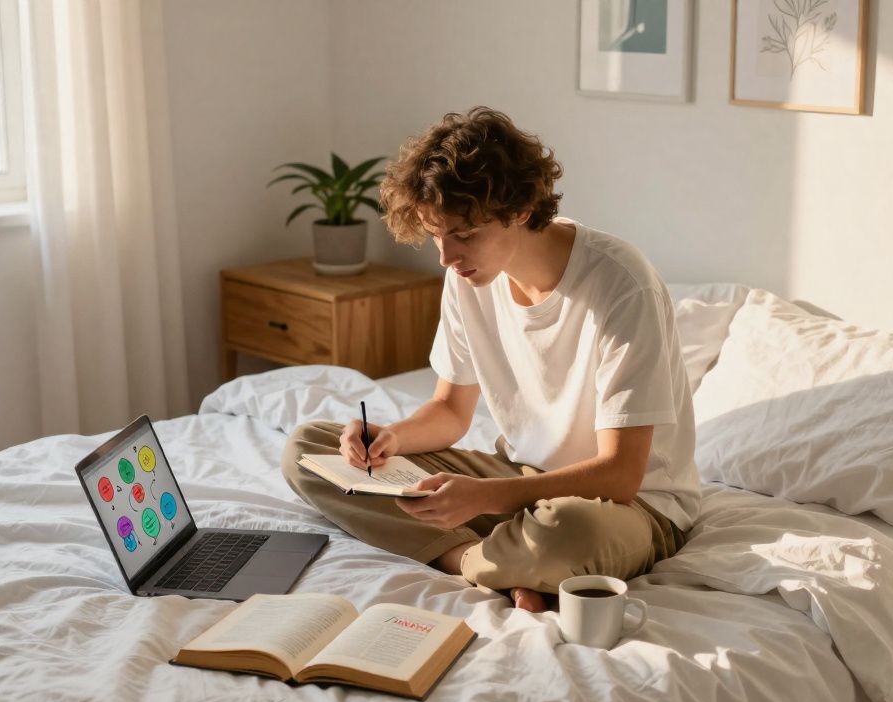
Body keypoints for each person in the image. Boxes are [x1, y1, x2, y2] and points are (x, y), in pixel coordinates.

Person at [280, 107, 699, 613]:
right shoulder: (468, 277)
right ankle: (478, 561)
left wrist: (485, 497)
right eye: (436, 236)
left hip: (631, 507)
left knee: (568, 531)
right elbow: (451, 411)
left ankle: (492, 557)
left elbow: (620, 475)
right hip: (516, 477)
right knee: (309, 449)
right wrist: (392, 438)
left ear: (520, 209)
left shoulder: (621, 285)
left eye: (463, 235)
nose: (446, 257)